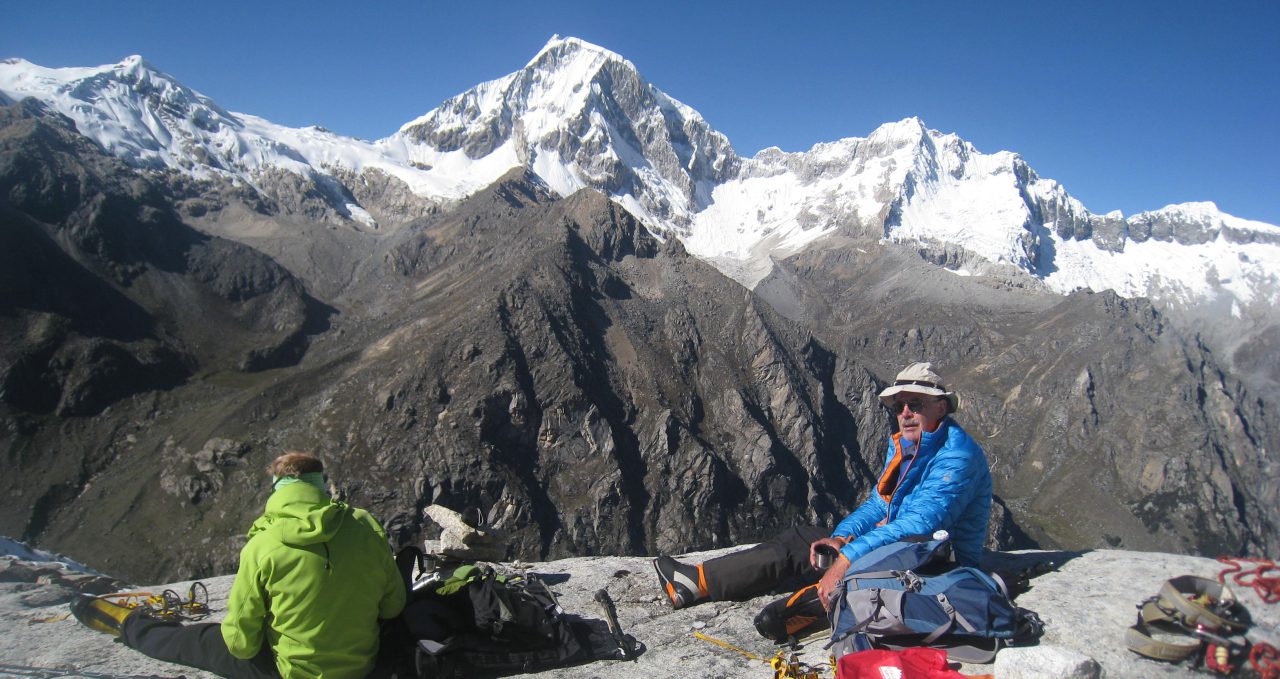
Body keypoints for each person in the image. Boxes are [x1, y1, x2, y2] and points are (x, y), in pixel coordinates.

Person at [653, 361, 992, 609]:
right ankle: (697, 581)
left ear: (941, 407)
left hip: (936, 565)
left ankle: (806, 605)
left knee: (833, 567)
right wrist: (842, 537)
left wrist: (845, 559)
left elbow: (920, 525)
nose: (904, 413)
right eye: (899, 405)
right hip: (902, 548)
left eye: (914, 404)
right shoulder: (908, 445)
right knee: (805, 539)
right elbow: (879, 504)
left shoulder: (957, 457)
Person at [70, 452, 407, 679]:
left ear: (277, 489)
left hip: (289, 672)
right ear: (320, 484)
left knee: (195, 641)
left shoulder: (263, 545)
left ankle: (127, 623)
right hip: (363, 666)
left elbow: (242, 644)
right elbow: (393, 607)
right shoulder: (365, 525)